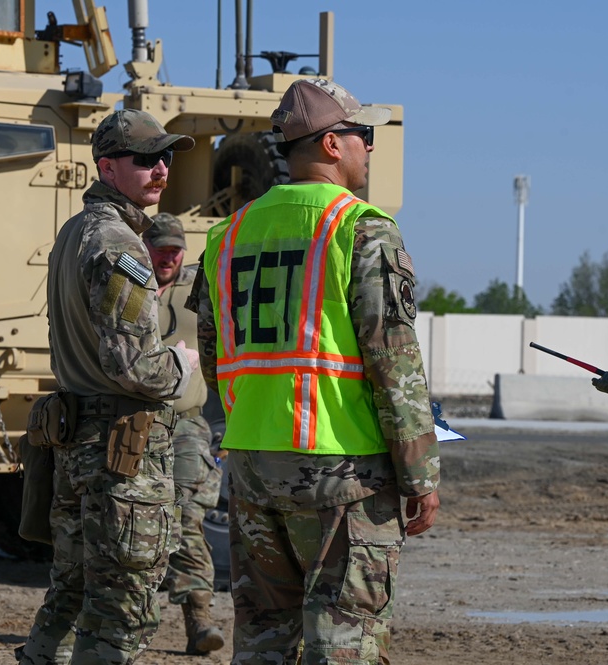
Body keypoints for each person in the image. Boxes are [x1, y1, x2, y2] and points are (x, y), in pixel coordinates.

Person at [190, 78, 441, 664]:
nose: (370, 148)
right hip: (341, 469)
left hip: (253, 463)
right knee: (344, 637)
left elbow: (211, 352)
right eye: (364, 135)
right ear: (332, 144)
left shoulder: (228, 234)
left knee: (262, 639)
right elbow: (393, 361)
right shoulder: (361, 228)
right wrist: (420, 473)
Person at [18, 109, 199, 665]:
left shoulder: (76, 232)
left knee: (70, 595)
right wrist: (182, 365)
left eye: (166, 157)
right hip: (121, 451)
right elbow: (135, 366)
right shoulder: (118, 243)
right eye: (145, 160)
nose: (161, 168)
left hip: (79, 442)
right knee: (124, 607)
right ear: (107, 167)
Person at [142, 213, 225, 655]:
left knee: (187, 515)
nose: (169, 256)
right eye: (161, 249)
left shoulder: (198, 284)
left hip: (187, 422)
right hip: (135, 423)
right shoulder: (129, 282)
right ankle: (128, 619)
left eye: (176, 249)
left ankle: (199, 619)